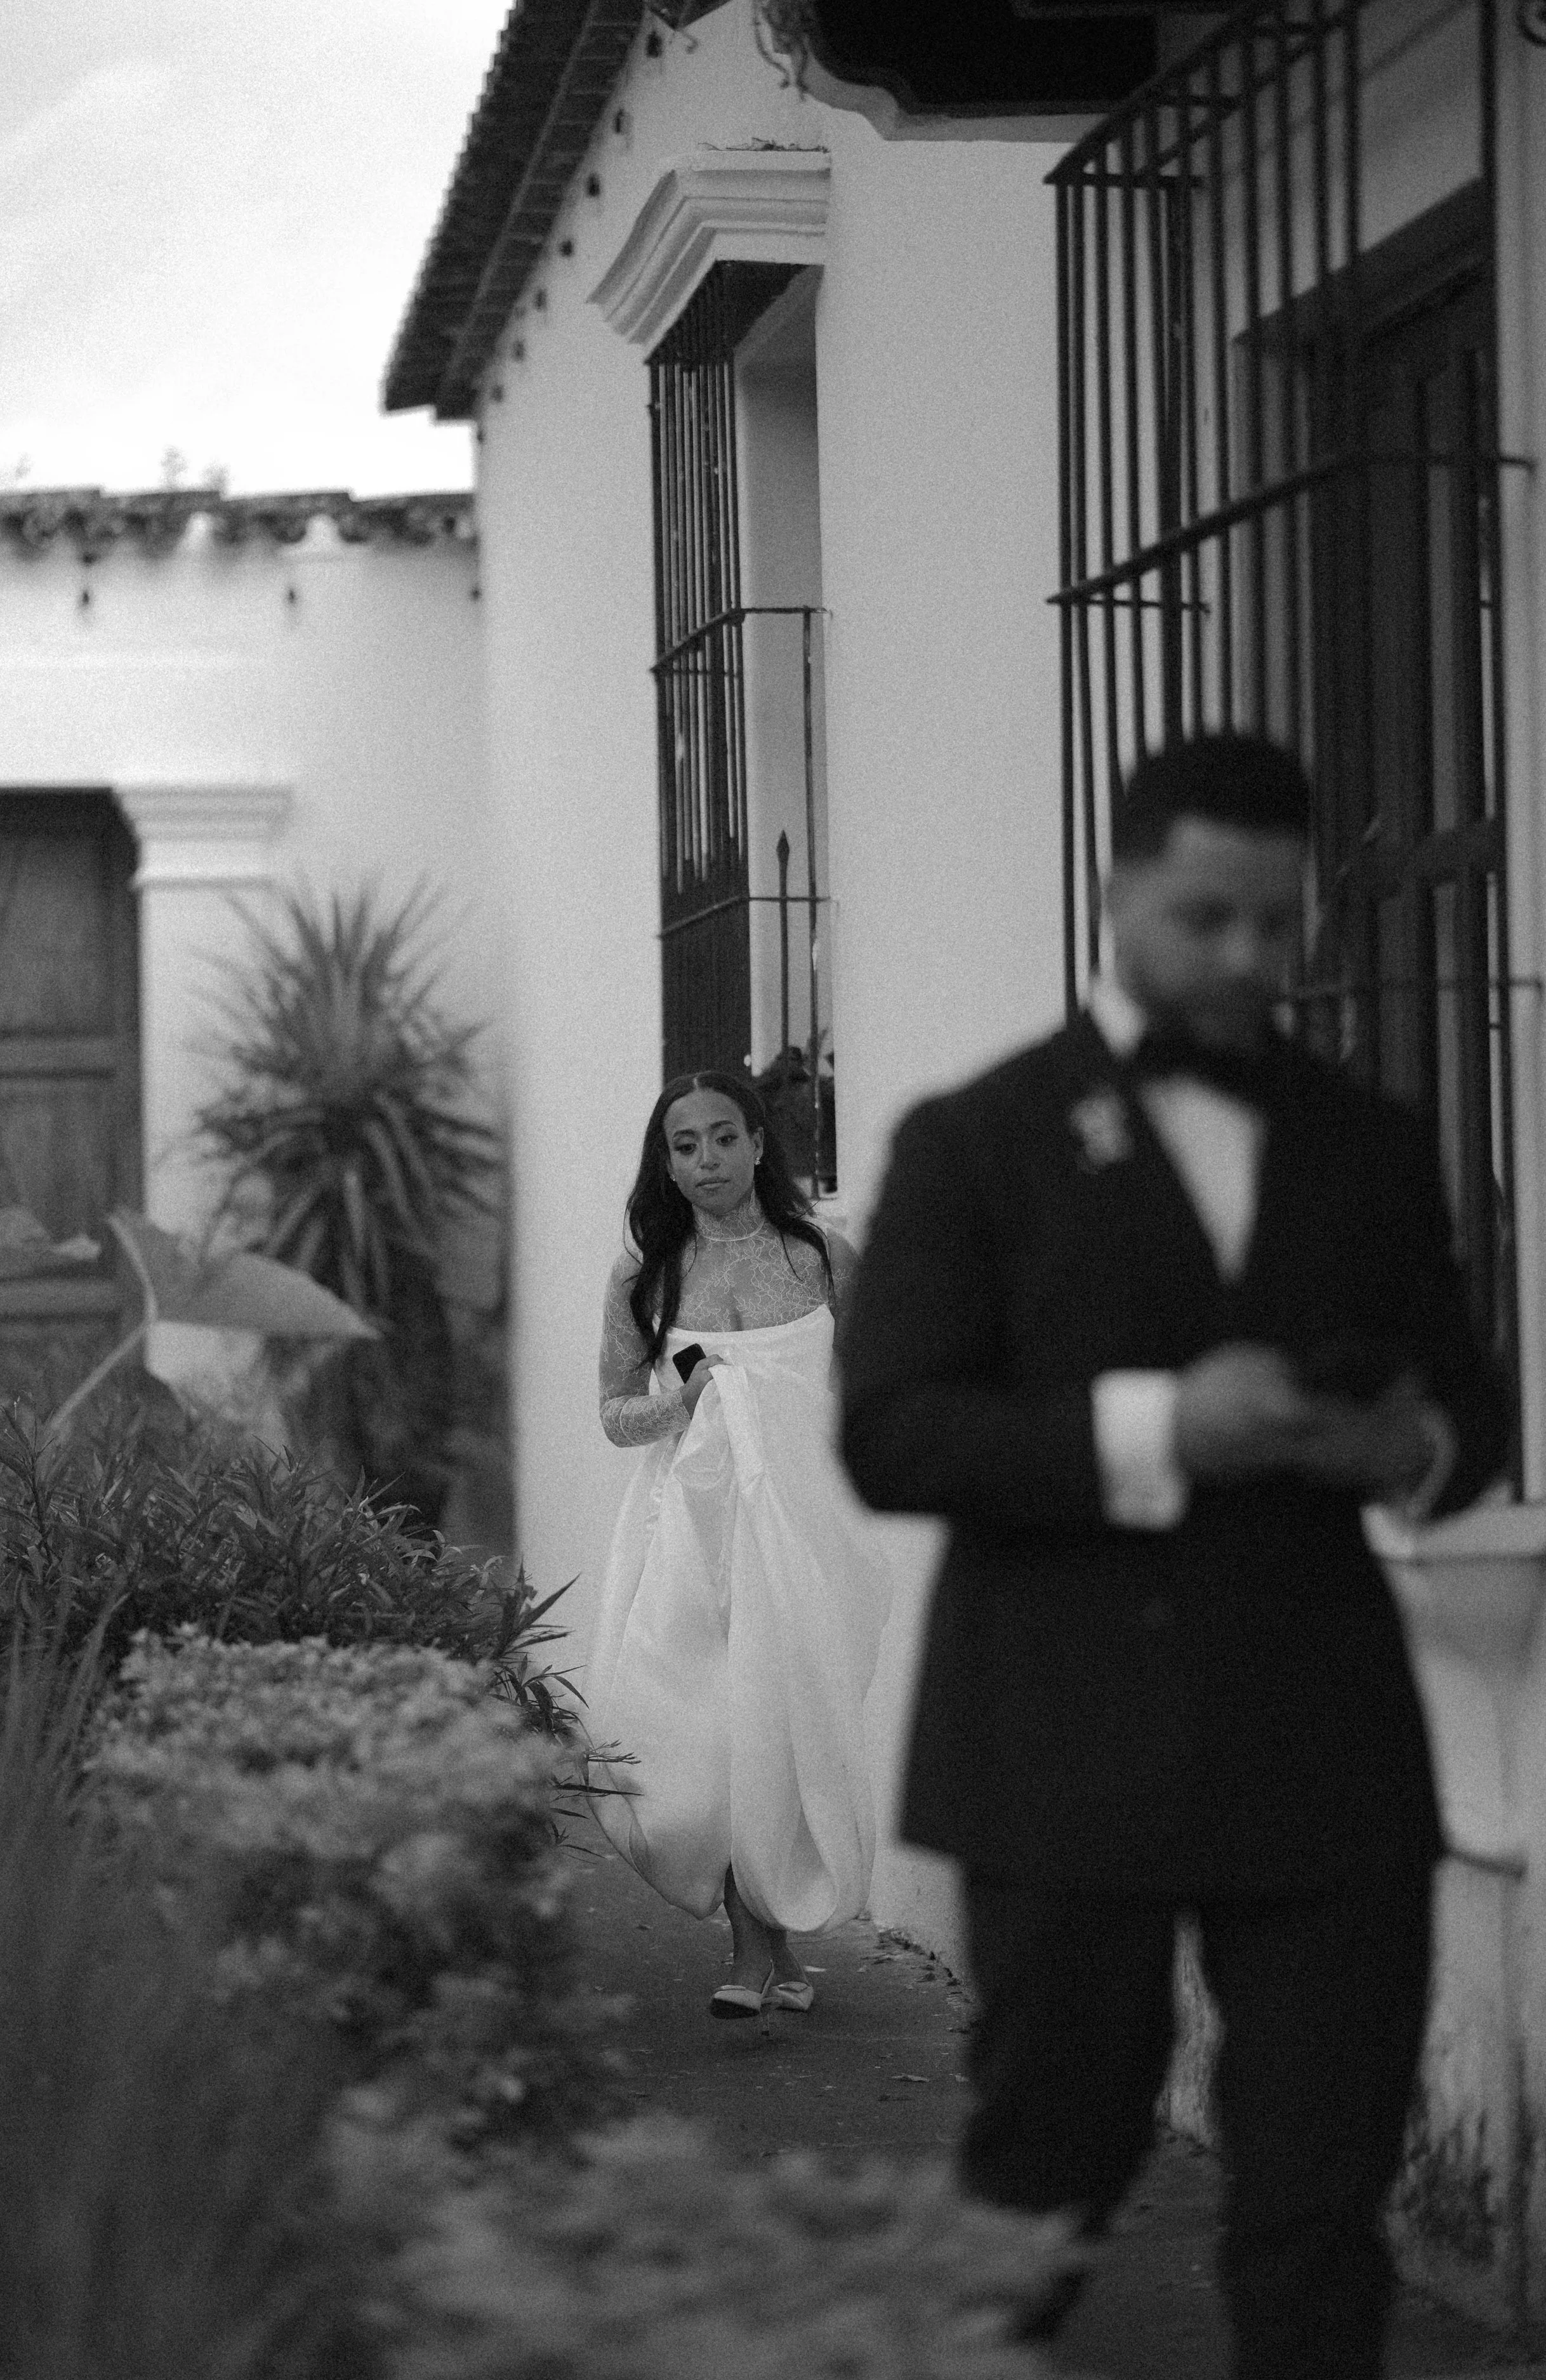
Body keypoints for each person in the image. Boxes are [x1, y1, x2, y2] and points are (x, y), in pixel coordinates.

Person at [837, 734, 1508, 2379]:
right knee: (1034, 2189)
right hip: (1062, 1744)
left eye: (1280, 927)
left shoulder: (1369, 1136)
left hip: (1323, 1744)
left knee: (1316, 2212)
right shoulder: (970, 1138)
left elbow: (1468, 1403)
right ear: (1115, 890)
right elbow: (894, 1432)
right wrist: (1157, 1427)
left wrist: (1404, 1448)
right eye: (1206, 915)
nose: (1246, 959)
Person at [588, 1069, 894, 2019]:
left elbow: (878, 1396)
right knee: (702, 1732)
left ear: (760, 1144)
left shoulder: (822, 1260)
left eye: (725, 1137)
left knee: (779, 1729)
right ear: (667, 1164)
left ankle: (775, 1951)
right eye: (685, 1145)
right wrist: (679, 1404)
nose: (708, 1159)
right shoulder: (648, 1273)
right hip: (685, 1534)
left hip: (799, 1538)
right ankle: (752, 1951)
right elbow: (613, 1415)